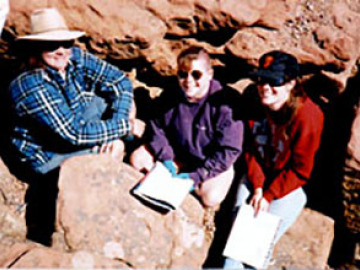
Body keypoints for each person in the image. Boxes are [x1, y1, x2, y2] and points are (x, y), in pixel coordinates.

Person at [9, 7, 144, 245]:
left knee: (119, 105)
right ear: (35, 49)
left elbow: (120, 81)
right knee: (109, 152)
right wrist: (124, 128)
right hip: (47, 154)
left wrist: (116, 131)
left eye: (66, 42)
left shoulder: (73, 56)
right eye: (51, 45)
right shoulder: (28, 84)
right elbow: (73, 133)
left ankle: (114, 149)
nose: (60, 50)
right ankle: (95, 215)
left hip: (77, 119)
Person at [223, 50, 324, 269]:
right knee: (237, 244)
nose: (264, 87)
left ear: (291, 83)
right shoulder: (253, 99)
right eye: (260, 79)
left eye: (273, 81)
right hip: (256, 178)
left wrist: (269, 195)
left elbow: (301, 170)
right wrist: (258, 188)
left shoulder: (308, 116)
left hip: (288, 186)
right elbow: (249, 149)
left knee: (252, 247)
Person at [130, 46, 244, 232]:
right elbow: (156, 127)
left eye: (196, 74)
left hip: (209, 162)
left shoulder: (225, 103)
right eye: (183, 74)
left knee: (211, 196)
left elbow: (229, 151)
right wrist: (166, 157)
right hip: (177, 155)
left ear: (210, 74)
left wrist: (197, 176)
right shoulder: (171, 94)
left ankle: (201, 206)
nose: (189, 81)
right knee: (138, 159)